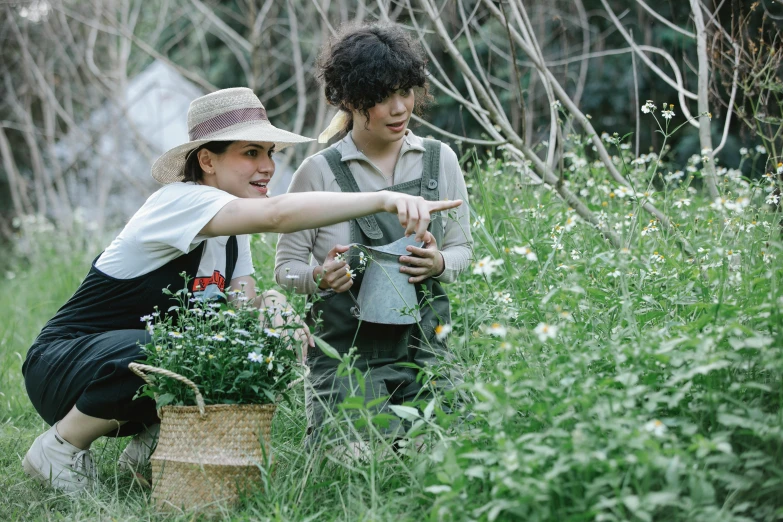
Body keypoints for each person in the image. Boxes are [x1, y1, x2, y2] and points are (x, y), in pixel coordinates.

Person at [21, 87, 461, 493]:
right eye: (250, 153)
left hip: (123, 368)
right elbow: (276, 216)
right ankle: (59, 447)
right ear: (207, 161)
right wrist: (383, 198)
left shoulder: (231, 232)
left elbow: (243, 304)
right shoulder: (177, 202)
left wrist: (274, 305)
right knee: (176, 346)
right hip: (64, 366)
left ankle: (153, 449)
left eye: (269, 152)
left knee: (244, 347)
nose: (267, 166)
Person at [274, 24, 473, 447]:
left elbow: (462, 251)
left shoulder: (440, 161)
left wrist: (438, 263)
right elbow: (284, 270)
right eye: (381, 98)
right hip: (346, 357)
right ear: (349, 99)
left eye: (406, 91)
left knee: (447, 450)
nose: (400, 108)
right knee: (365, 459)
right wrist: (320, 277)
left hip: (427, 350)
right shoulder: (318, 172)